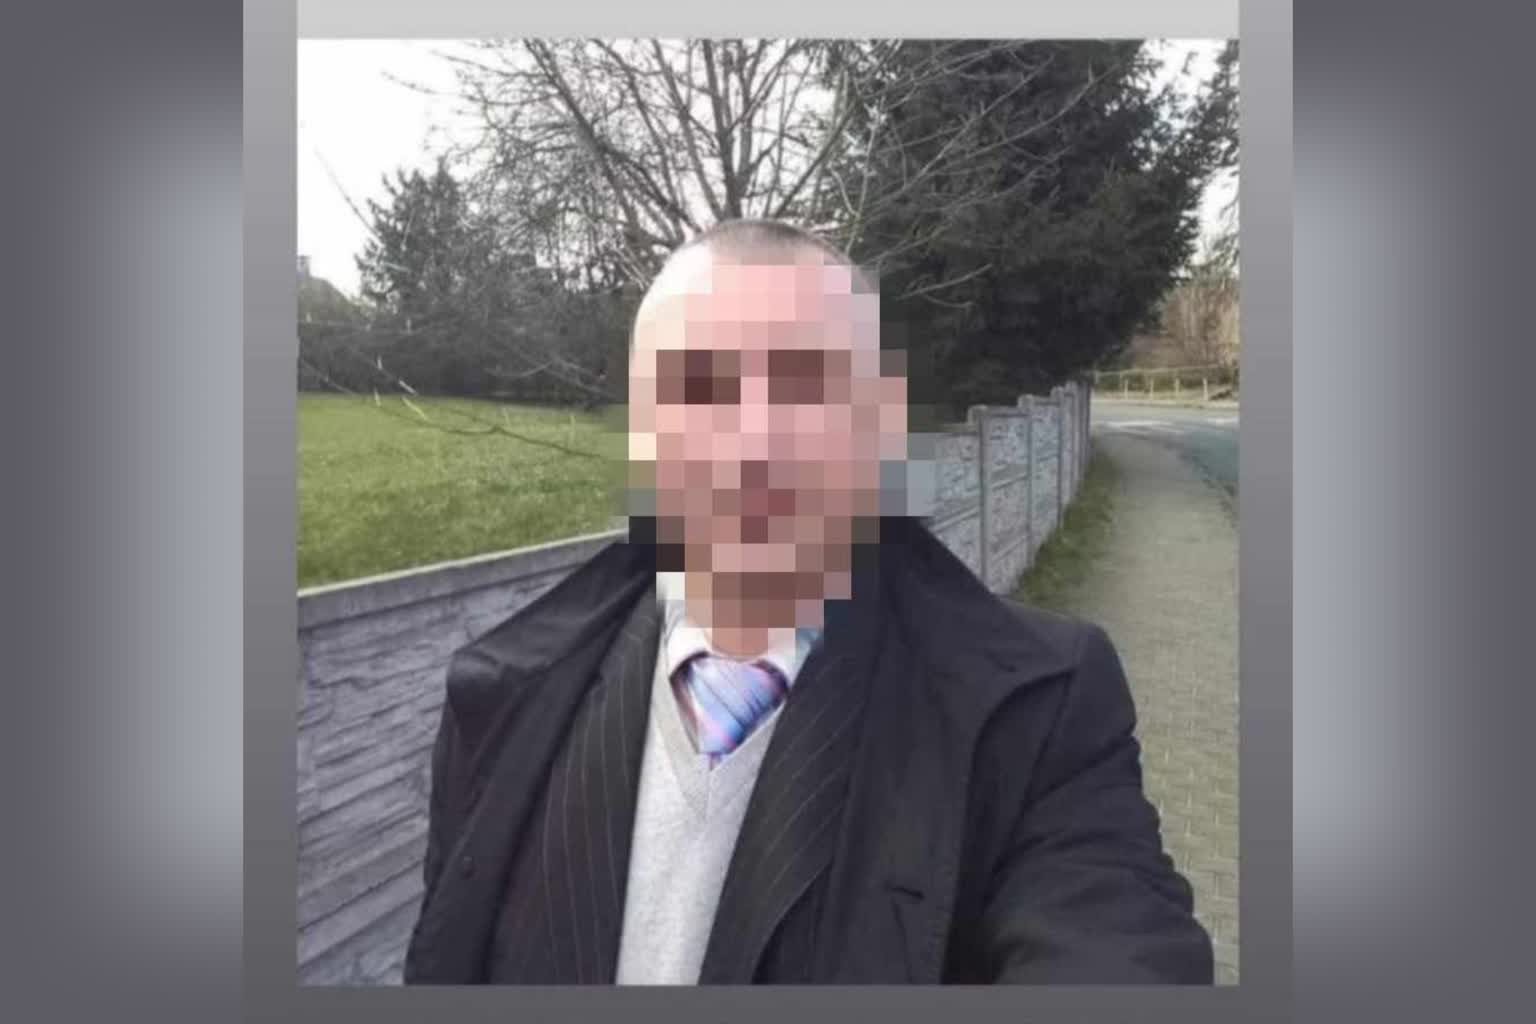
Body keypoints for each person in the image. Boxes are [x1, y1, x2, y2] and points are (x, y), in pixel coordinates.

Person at [402, 219, 1213, 985]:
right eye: (700, 388)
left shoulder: (1036, 716)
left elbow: (1117, 946)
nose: (754, 441)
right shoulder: (502, 700)